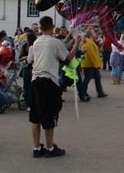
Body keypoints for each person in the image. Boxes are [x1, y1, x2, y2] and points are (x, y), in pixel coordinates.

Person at [29, 16, 79, 158]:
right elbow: (67, 57)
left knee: (35, 116)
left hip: (35, 80)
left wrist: (69, 36)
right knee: (49, 114)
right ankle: (50, 148)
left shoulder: (37, 42)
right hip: (48, 81)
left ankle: (37, 147)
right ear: (52, 27)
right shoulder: (54, 42)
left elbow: (57, 45)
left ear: (40, 27)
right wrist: (77, 43)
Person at [81, 32, 108, 98]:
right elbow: (91, 54)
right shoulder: (89, 42)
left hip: (91, 64)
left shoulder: (90, 41)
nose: (96, 34)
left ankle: (100, 92)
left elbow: (94, 52)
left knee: (97, 77)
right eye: (94, 33)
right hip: (90, 64)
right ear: (90, 35)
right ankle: (83, 93)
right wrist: (96, 64)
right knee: (87, 79)